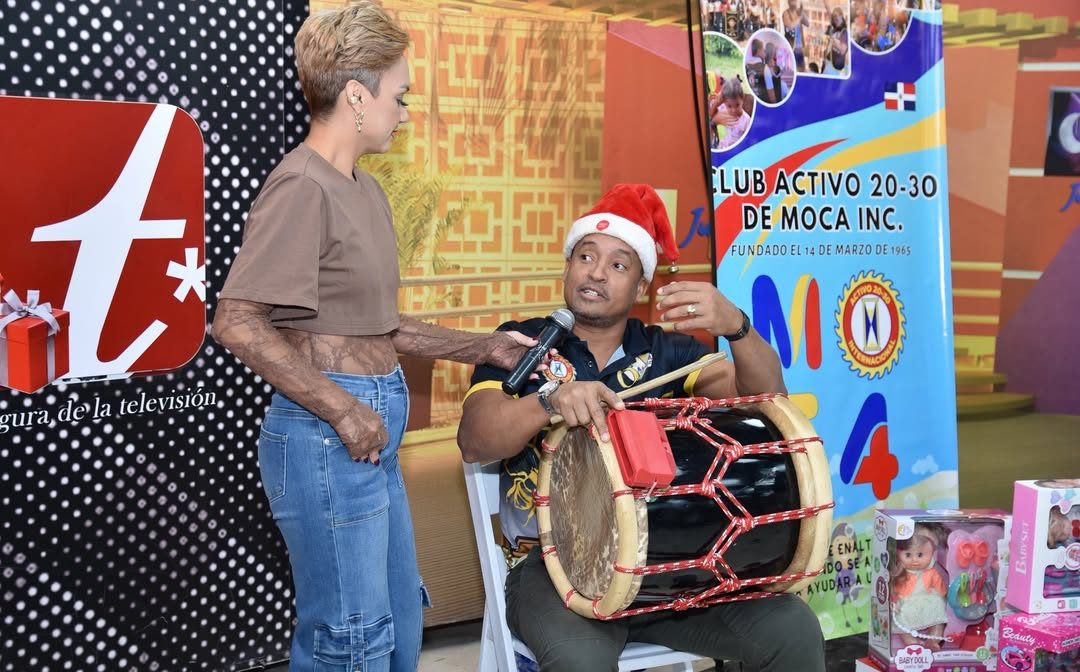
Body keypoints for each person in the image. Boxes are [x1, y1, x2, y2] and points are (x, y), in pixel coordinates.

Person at [211, 4, 536, 671]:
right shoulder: (300, 186)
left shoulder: (365, 190)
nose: (405, 114)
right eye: (400, 95)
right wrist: (343, 409)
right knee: (350, 640)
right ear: (357, 97)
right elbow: (236, 321)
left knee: (396, 624)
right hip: (326, 437)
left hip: (367, 432)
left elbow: (379, 324)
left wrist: (484, 347)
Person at [457, 184, 827, 672]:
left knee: (792, 629)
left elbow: (766, 404)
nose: (596, 272)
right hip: (554, 569)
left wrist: (736, 326)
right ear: (566, 268)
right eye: (585, 256)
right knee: (580, 661)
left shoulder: (668, 352)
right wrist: (548, 400)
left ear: (641, 288)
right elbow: (475, 439)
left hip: (669, 566)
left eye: (618, 265)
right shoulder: (521, 343)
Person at [890, 524, 948, 652]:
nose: (914, 560)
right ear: (899, 554)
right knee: (901, 621)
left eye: (920, 555)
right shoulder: (900, 574)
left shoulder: (931, 572)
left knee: (938, 613)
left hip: (927, 601)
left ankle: (934, 640)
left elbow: (941, 590)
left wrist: (944, 599)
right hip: (906, 603)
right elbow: (893, 590)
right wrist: (894, 600)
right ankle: (911, 642)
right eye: (908, 555)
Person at [715, 77, 752, 149]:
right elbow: (711, 112)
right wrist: (718, 101)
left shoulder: (746, 120)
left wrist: (737, 144)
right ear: (724, 102)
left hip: (738, 150)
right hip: (724, 145)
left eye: (737, 105)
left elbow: (749, 140)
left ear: (742, 98)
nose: (733, 110)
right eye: (729, 106)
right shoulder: (723, 109)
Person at [782, 0, 809, 71]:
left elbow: (807, 24)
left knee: (802, 72)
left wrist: (802, 13)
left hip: (800, 49)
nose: (794, 2)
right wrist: (800, 17)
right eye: (792, 1)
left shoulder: (798, 12)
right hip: (791, 48)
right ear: (788, 2)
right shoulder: (786, 13)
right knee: (791, 71)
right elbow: (790, 26)